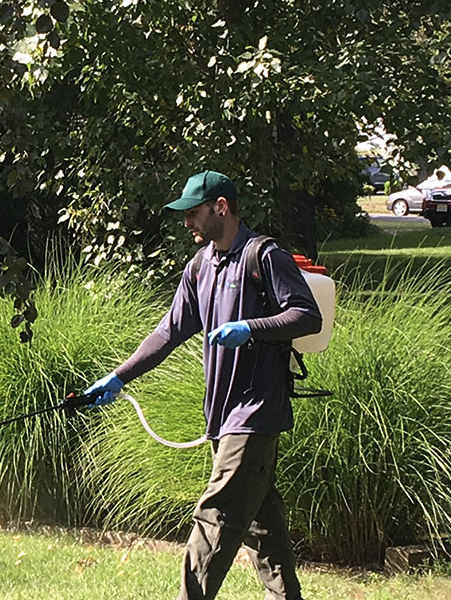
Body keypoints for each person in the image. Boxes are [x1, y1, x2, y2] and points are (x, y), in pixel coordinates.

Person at [85, 170, 321, 600]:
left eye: (193, 213)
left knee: (216, 518)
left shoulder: (263, 256)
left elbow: (307, 315)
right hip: (221, 415)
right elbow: (167, 333)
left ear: (221, 208)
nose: (188, 223)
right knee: (262, 526)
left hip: (255, 412)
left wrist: (250, 327)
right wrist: (118, 378)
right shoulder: (201, 266)